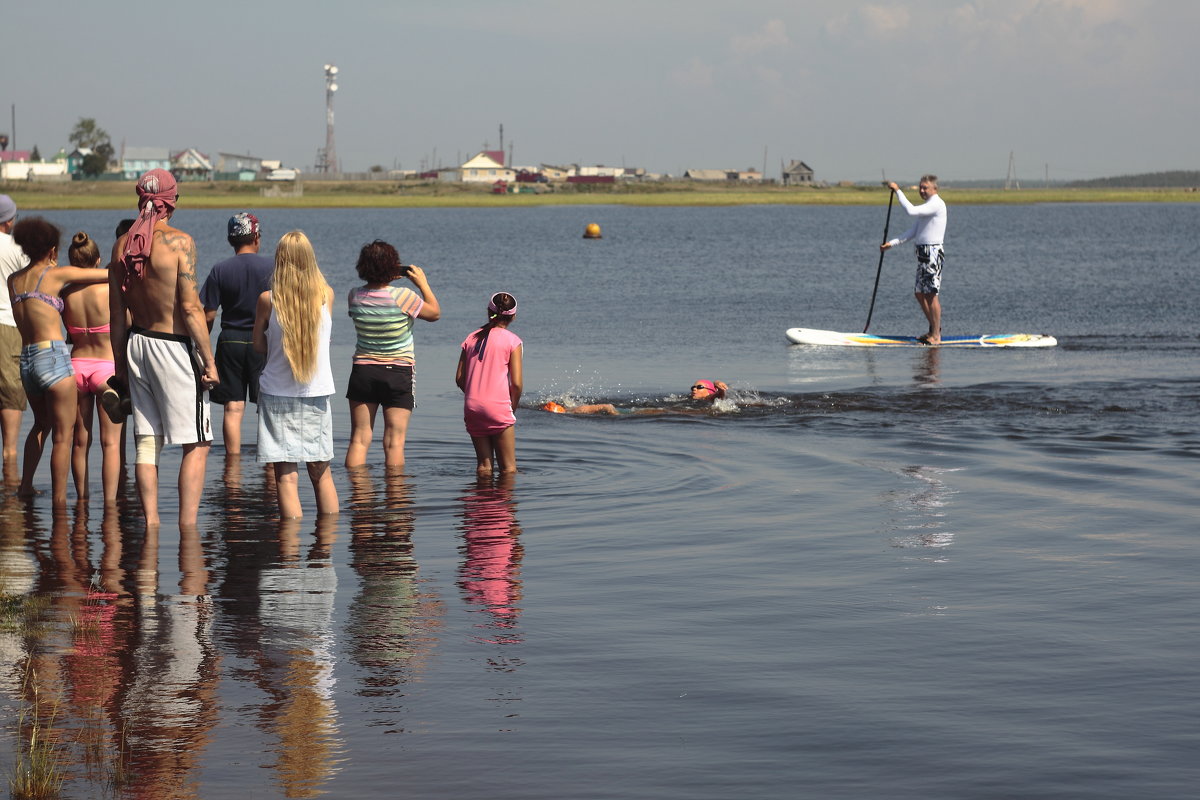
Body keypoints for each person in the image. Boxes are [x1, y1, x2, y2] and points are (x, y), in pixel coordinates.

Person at [110, 169, 219, 527]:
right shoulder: (179, 243)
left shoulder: (121, 245)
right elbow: (189, 309)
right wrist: (209, 360)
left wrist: (120, 370)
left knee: (146, 440)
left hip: (136, 344)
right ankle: (188, 529)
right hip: (172, 346)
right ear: (172, 201)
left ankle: (152, 525)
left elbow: (116, 316)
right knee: (198, 443)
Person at [7, 218, 108, 505]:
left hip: (27, 360)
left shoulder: (12, 280)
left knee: (40, 425)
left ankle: (25, 487)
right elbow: (100, 275)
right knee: (64, 436)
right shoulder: (55, 275)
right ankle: (61, 503)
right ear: (52, 250)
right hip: (52, 356)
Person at [251, 230, 338, 518]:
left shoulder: (268, 299)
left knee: (286, 478)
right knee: (321, 474)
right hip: (316, 393)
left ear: (280, 260)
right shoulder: (327, 295)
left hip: (276, 393)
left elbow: (258, 344)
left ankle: (289, 558)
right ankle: (325, 551)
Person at [344, 240, 440, 470]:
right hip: (398, 372)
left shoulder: (354, 295)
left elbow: (375, 295)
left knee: (359, 438)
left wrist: (383, 279)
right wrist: (423, 284)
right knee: (394, 443)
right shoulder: (404, 296)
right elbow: (435, 313)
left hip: (363, 372)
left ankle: (358, 497)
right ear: (393, 267)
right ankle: (396, 500)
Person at [200, 212, 273, 456]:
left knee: (233, 408)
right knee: (266, 406)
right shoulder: (272, 267)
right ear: (256, 238)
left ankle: (232, 467)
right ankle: (271, 465)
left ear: (231, 240)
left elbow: (208, 314)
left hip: (230, 340)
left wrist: (203, 346)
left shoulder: (220, 269)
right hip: (262, 342)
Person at [61, 232, 124, 504]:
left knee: (79, 441)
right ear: (98, 260)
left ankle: (82, 500)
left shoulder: (65, 292)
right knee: (110, 444)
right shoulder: (109, 289)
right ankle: (110, 505)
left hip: (75, 366)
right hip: (105, 368)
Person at [455, 292, 524, 476]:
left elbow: (459, 378)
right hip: (498, 408)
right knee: (508, 469)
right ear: (513, 316)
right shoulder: (513, 341)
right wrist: (511, 408)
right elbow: (516, 384)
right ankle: (502, 505)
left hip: (472, 407)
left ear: (488, 312)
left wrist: (476, 395)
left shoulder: (471, 338)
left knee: (484, 467)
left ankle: (481, 503)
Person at [880, 176, 948, 345]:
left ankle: (936, 336)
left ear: (934, 189)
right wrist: (892, 243)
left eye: (925, 188)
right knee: (919, 293)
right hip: (922, 254)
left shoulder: (936, 204)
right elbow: (913, 232)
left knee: (931, 295)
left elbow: (910, 210)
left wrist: (897, 190)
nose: (922, 190)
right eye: (920, 187)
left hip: (932, 253)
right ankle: (933, 330)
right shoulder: (926, 208)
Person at [0, 195, 29, 465]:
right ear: (9, 220)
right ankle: (10, 468)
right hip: (9, 325)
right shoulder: (17, 247)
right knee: (10, 391)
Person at [541, 379, 728, 415]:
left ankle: (566, 411)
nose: (694, 389)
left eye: (700, 387)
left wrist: (720, 388)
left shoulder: (709, 401)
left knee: (606, 407)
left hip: (656, 413)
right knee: (607, 407)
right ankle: (568, 410)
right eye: (693, 386)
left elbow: (719, 398)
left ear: (709, 392)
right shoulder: (684, 401)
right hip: (653, 411)